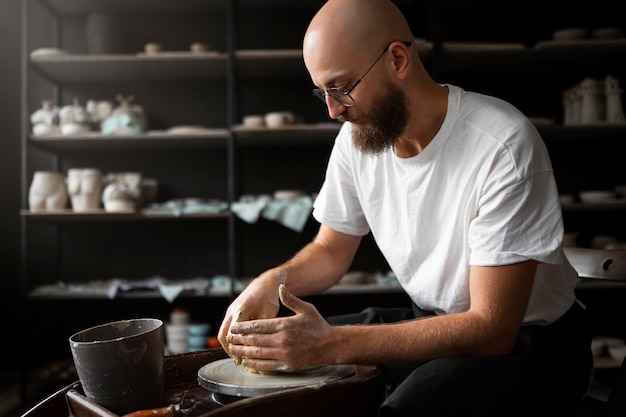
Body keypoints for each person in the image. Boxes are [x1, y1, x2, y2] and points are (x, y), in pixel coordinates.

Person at [218, 0, 593, 415]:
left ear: (397, 58)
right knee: (272, 358)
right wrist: (272, 280)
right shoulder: (357, 139)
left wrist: (330, 344)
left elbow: (491, 330)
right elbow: (330, 250)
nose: (333, 110)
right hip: (434, 320)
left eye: (341, 87)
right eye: (322, 92)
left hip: (529, 343)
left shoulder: (501, 143)